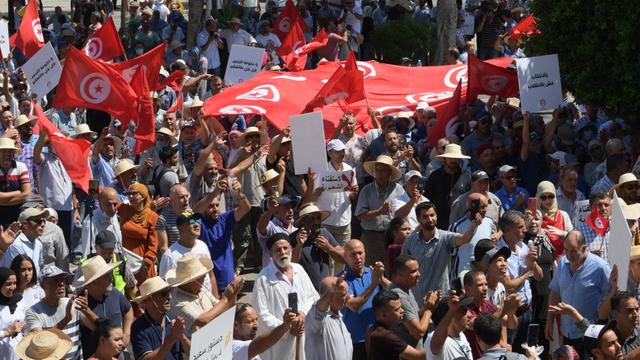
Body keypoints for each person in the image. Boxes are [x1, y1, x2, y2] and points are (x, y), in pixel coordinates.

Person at [251, 233, 319, 360]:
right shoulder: (263, 278)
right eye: (277, 249)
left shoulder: (299, 270)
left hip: (303, 335)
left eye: (285, 248)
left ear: (291, 249)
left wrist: (303, 313)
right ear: (270, 254)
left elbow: (313, 296)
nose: (282, 252)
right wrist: (286, 329)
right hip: (279, 344)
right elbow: (260, 314)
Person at [546, 230, 612, 359]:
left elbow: (612, 297)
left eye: (574, 251)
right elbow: (555, 292)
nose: (569, 255)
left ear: (585, 248)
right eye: (566, 250)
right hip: (566, 333)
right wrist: (550, 321)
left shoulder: (600, 267)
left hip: (589, 335)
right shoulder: (562, 264)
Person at [401, 202, 482, 304]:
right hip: (417, 300)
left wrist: (473, 225)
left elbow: (464, 239)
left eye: (432, 215)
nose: (430, 219)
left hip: (441, 300)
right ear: (418, 219)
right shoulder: (410, 241)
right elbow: (402, 267)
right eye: (425, 216)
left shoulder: (445, 238)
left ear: (436, 216)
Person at [24, 264, 95, 360]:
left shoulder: (73, 304)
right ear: (42, 285)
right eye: (55, 280)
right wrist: (66, 319)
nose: (61, 284)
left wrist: (87, 310)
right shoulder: (34, 312)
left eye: (62, 280)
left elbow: (94, 328)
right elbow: (40, 343)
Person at [193, 177, 250, 293]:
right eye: (210, 206)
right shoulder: (200, 223)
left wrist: (239, 194)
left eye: (217, 205)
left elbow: (245, 208)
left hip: (228, 282)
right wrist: (215, 192)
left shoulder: (225, 219)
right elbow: (195, 212)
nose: (215, 209)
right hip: (209, 285)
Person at [497, 210, 543, 352]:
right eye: (521, 227)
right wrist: (528, 271)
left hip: (528, 310)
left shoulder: (523, 247)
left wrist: (533, 263)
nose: (525, 230)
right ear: (509, 229)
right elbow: (509, 286)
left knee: (527, 351)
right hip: (511, 314)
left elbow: (539, 276)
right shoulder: (499, 252)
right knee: (511, 351)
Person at [167, 253, 244, 336]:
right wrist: (225, 298)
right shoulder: (177, 300)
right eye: (202, 276)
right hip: (195, 346)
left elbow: (222, 309)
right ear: (191, 281)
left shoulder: (200, 289)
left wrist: (233, 294)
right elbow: (203, 320)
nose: (204, 279)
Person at [73, 256, 133, 358]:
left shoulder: (115, 293)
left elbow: (128, 310)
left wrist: (127, 332)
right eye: (106, 275)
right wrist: (87, 310)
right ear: (93, 282)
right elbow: (101, 329)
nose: (111, 277)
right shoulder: (81, 303)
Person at [339, 239, 386, 360]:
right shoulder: (342, 279)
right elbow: (353, 306)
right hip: (356, 340)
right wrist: (374, 284)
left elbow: (394, 294)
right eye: (353, 254)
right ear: (345, 256)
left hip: (377, 336)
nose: (358, 257)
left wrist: (382, 278)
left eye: (360, 253)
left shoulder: (371, 272)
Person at [356, 155, 404, 265]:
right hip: (371, 237)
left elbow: (403, 214)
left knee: (392, 270)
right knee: (371, 270)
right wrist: (379, 212)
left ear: (390, 173)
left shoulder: (398, 189)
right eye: (377, 170)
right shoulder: (366, 190)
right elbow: (360, 215)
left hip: (392, 237)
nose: (379, 174)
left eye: (383, 171)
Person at [313, 139, 359, 248]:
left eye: (342, 151)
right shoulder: (321, 171)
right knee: (326, 257)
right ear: (329, 153)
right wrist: (317, 192)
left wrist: (354, 192)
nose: (341, 154)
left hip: (344, 221)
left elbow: (351, 196)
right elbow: (313, 197)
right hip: (326, 221)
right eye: (337, 151)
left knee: (343, 257)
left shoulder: (349, 169)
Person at [159, 210, 218, 295]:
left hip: (207, 302)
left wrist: (216, 299)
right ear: (180, 228)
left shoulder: (202, 245)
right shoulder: (169, 256)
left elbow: (211, 275)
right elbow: (164, 287)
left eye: (198, 221)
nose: (196, 224)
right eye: (192, 221)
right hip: (185, 305)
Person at [388, 255, 440, 348]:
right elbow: (418, 332)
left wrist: (424, 308)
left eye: (418, 270)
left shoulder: (406, 288)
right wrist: (429, 310)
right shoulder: (398, 296)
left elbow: (412, 316)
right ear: (399, 274)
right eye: (413, 271)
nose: (418, 274)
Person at [131, 277, 188, 360]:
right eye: (164, 294)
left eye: (170, 292)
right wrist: (172, 338)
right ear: (149, 300)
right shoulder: (138, 327)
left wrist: (181, 336)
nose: (169, 297)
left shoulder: (173, 318)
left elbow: (190, 351)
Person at [290, 204, 344, 288]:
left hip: (325, 290)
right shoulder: (293, 238)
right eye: (312, 219)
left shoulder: (324, 233)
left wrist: (329, 248)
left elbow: (344, 258)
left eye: (318, 218)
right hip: (305, 291)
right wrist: (299, 245)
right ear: (302, 222)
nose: (316, 222)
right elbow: (292, 266)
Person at [365, 290, 426, 360]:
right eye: (397, 309)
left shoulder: (371, 329)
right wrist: (429, 310)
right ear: (384, 315)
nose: (402, 310)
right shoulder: (386, 336)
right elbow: (418, 356)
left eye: (401, 307)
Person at [304, 275, 354, 360]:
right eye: (344, 294)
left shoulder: (339, 318)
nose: (348, 297)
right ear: (331, 295)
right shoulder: (316, 319)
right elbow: (319, 311)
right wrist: (331, 292)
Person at [118, 183, 159, 284]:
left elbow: (153, 244)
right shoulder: (125, 210)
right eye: (129, 194)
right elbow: (110, 199)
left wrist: (146, 264)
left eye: (134, 194)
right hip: (126, 261)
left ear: (143, 195)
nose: (130, 197)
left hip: (143, 264)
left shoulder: (152, 216)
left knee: (144, 294)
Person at [424, 144, 471, 229]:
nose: (454, 161)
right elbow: (427, 199)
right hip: (438, 223)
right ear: (445, 159)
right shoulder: (434, 176)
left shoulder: (466, 177)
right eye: (450, 158)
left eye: (456, 159)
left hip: (459, 223)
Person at [449, 192, 497, 275]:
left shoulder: (489, 222)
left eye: (486, 206)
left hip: (483, 272)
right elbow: (451, 254)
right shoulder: (457, 226)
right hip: (463, 272)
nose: (485, 210)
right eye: (482, 207)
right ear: (471, 207)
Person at [233, 303, 297, 360]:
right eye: (250, 321)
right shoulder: (234, 347)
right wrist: (284, 326)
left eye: (256, 319)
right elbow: (259, 346)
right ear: (236, 325)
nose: (256, 325)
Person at [425, 293, 474, 360]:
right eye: (464, 310)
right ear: (449, 315)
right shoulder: (434, 338)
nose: (470, 315)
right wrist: (451, 310)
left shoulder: (461, 335)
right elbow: (437, 342)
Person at [0, 208, 47, 276]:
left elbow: (39, 267)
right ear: (25, 224)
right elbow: (17, 273)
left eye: (44, 221)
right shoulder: (15, 243)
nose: (43, 224)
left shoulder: (38, 244)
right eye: (39, 221)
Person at [80, 187, 122, 257]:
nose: (113, 209)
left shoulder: (115, 215)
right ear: (100, 204)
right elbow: (87, 255)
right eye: (108, 204)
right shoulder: (90, 224)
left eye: (115, 204)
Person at [0, 137, 31, 226]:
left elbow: (28, 194)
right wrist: (17, 193)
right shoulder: (21, 167)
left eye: (10, 150)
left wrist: (2, 201)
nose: (7, 153)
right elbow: (24, 194)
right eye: (4, 150)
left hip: (18, 217)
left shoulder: (21, 166)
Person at [537, 180, 574, 256]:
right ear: (538, 197)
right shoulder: (536, 216)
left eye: (551, 196)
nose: (548, 201)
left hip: (563, 259)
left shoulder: (563, 215)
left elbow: (573, 238)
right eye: (543, 197)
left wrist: (562, 233)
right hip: (543, 261)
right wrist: (539, 232)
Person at [0, 268, 23, 360]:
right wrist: (8, 332)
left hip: (18, 351)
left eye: (14, 283)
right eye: (8, 284)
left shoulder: (19, 300)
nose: (13, 287)